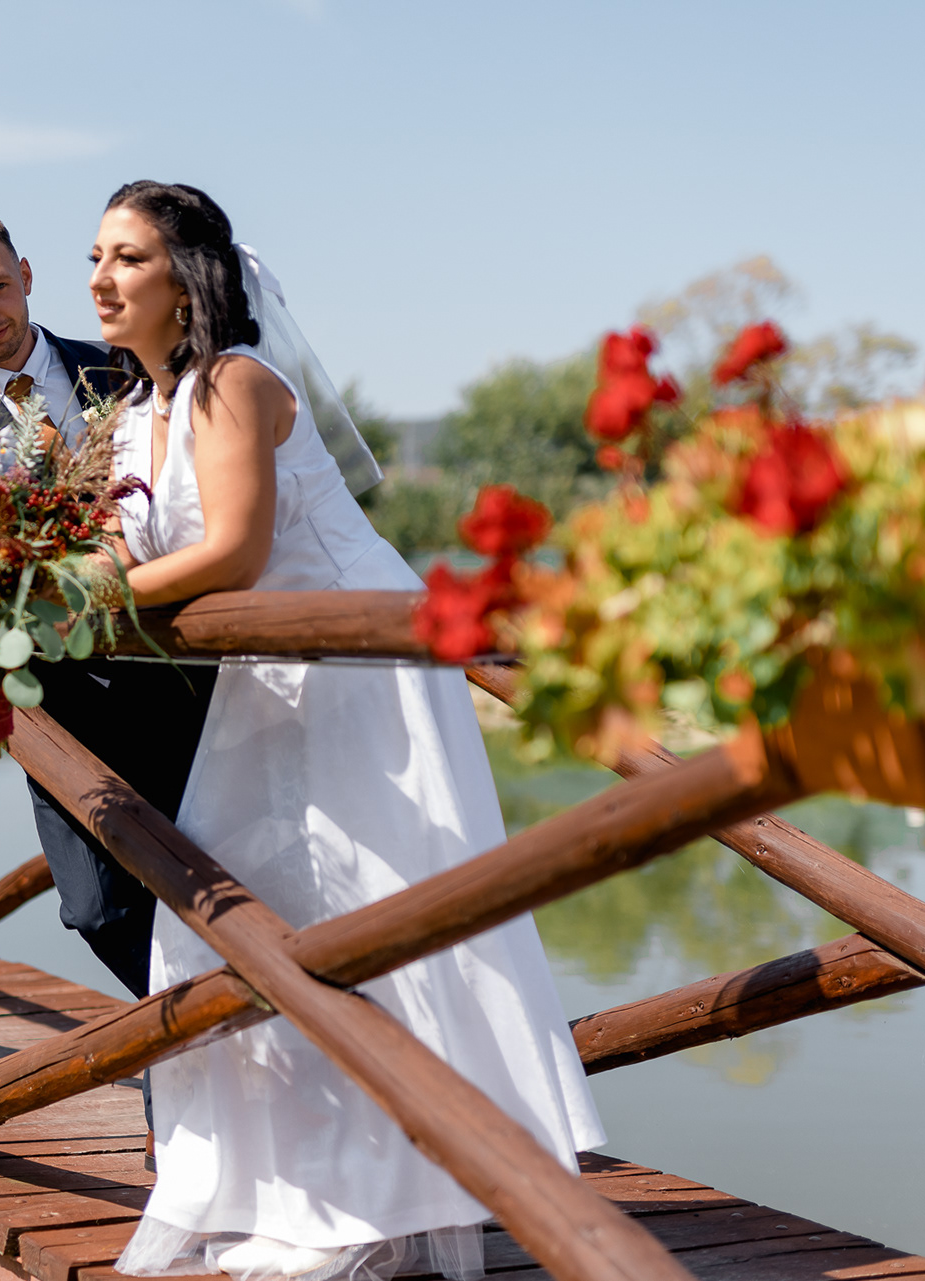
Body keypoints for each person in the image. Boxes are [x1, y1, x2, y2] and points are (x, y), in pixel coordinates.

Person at [89, 182, 605, 1281]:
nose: (100, 279)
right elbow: (132, 553)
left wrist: (84, 602)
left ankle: (402, 1192)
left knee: (373, 920)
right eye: (95, 256)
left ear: (186, 278)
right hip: (268, 675)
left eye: (126, 257)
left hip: (360, 666)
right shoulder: (135, 413)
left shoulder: (236, 381)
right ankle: (292, 1184)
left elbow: (233, 552)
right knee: (242, 923)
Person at [0, 212, 218, 1004]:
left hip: (184, 674)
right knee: (99, 906)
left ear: (28, 275)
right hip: (58, 701)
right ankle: (203, 1035)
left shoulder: (125, 366)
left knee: (220, 879)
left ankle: (203, 1069)